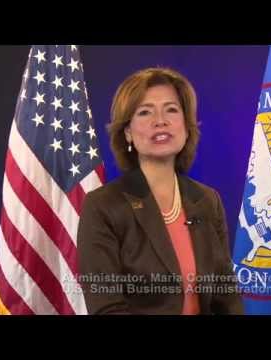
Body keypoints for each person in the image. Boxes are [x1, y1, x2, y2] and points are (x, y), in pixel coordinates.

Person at [77, 67, 244, 315]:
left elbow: (226, 299)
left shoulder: (207, 201)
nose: (160, 121)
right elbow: (107, 308)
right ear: (128, 133)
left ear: (186, 128)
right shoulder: (103, 205)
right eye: (145, 112)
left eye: (172, 110)